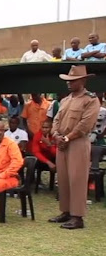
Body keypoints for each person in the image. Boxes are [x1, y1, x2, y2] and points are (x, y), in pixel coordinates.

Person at [50, 65, 100, 229]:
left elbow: (85, 124)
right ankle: (66, 211)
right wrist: (57, 135)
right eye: (68, 81)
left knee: (77, 179)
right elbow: (56, 120)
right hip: (62, 143)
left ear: (83, 81)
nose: (69, 84)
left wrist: (67, 137)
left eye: (73, 81)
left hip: (77, 142)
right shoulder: (65, 100)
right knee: (63, 178)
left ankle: (77, 216)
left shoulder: (91, 100)